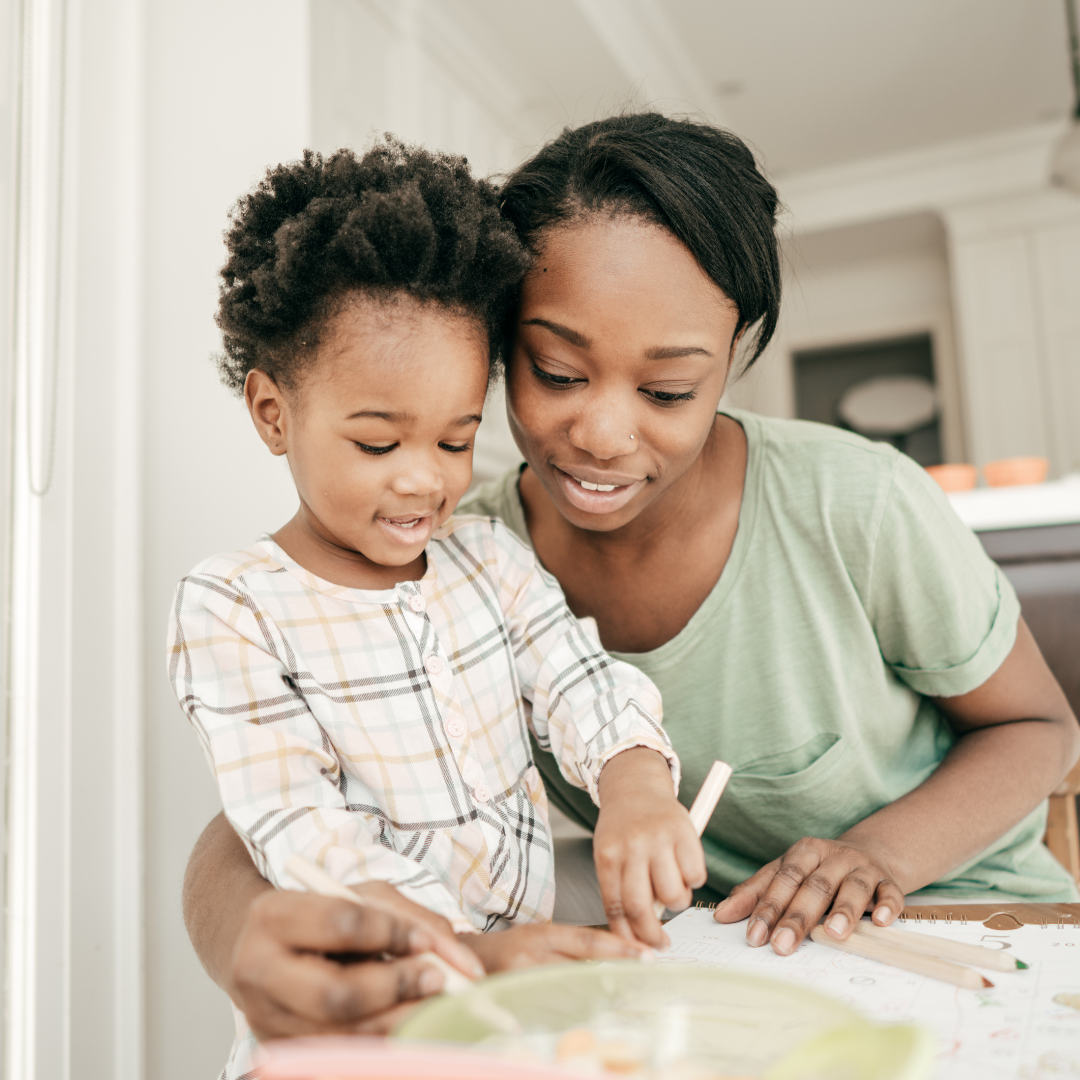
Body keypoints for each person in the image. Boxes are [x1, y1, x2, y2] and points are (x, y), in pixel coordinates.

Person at [182, 113, 1080, 1039]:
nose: (604, 436)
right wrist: (250, 938)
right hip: (719, 948)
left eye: (667, 391)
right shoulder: (448, 552)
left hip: (963, 921)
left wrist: (875, 852)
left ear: (731, 360)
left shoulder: (858, 506)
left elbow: (1039, 727)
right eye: (556, 371)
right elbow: (276, 805)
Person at [170, 139, 707, 1078]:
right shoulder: (236, 606)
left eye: (456, 441)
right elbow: (299, 830)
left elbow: (579, 680)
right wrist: (459, 957)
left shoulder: (488, 559)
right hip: (364, 1021)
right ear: (273, 414)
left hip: (511, 1012)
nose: (425, 481)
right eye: (379, 445)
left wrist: (633, 784)